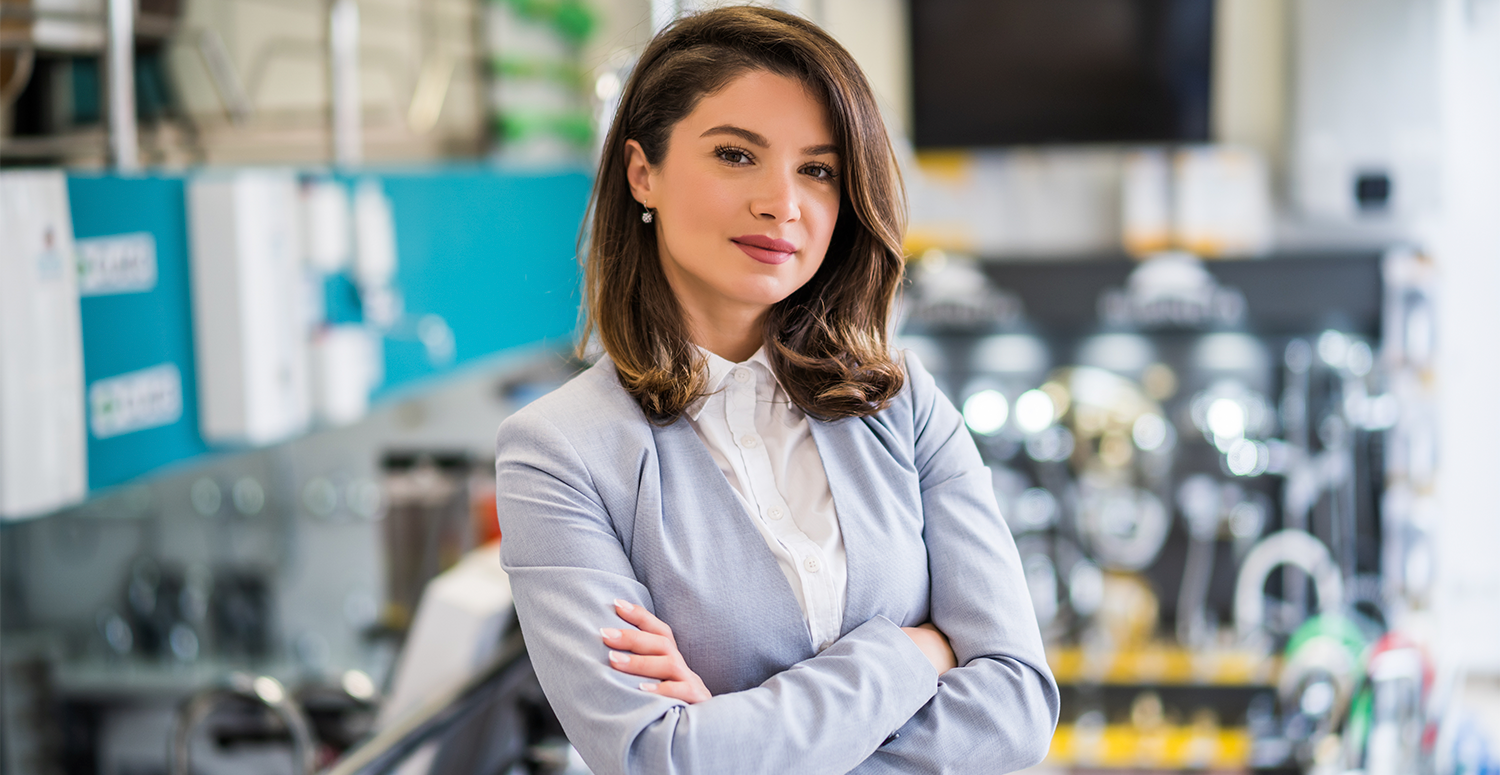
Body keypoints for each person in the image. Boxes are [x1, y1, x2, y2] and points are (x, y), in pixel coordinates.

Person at [494, 6, 1058, 773]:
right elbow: (656, 756)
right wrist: (914, 652)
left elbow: (1017, 709)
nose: (782, 204)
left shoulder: (901, 402)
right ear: (642, 172)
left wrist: (734, 733)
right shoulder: (559, 453)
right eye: (735, 155)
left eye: (818, 170)